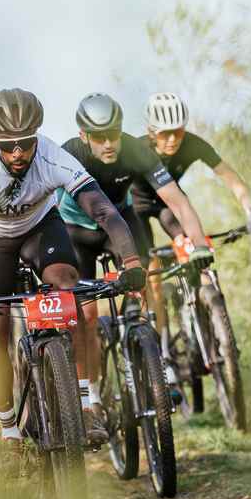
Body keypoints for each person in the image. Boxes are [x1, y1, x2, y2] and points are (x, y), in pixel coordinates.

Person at [0, 88, 146, 449]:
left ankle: (81, 404)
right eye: (8, 145)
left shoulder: (53, 157)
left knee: (67, 289)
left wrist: (132, 262)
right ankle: (8, 428)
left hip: (40, 227)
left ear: (37, 137)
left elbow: (105, 211)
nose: (18, 153)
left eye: (26, 143)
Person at [57, 92, 211, 419]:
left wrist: (198, 244)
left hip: (121, 225)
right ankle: (92, 396)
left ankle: (152, 360)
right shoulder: (67, 154)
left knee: (141, 291)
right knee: (84, 319)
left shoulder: (136, 150)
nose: (109, 143)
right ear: (84, 135)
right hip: (77, 233)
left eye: (114, 133)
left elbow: (178, 202)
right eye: (99, 137)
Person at [138, 92, 251, 223]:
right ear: (151, 132)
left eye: (178, 131)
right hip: (138, 204)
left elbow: (228, 175)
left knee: (193, 240)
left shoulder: (193, 144)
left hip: (170, 200)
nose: (172, 139)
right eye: (165, 133)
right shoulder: (137, 149)